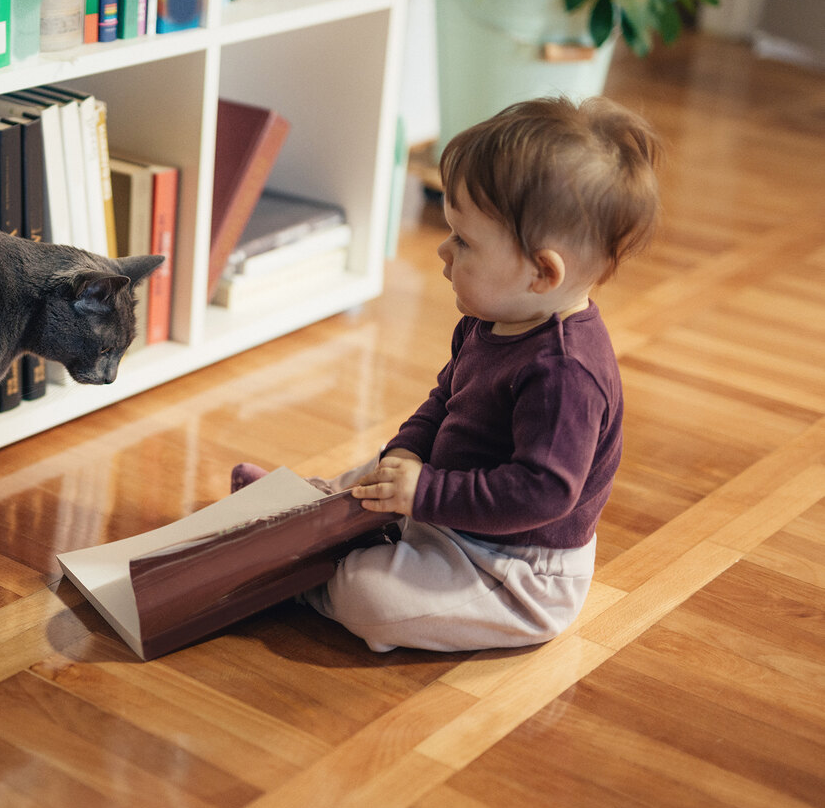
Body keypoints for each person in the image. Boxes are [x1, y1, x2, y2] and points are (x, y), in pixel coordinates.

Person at [234, 95, 662, 652]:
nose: (442, 249)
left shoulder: (566, 375)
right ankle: (306, 514)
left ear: (541, 271)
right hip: (448, 506)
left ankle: (308, 576)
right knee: (372, 472)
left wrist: (427, 492)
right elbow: (445, 400)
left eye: (464, 241)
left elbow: (541, 494)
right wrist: (408, 451)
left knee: (374, 599)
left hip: (509, 568)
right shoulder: (495, 319)